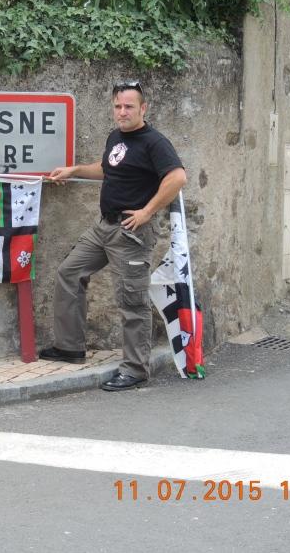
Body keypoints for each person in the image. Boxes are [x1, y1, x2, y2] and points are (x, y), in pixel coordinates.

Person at [39, 81, 187, 391]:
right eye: (118, 106)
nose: (122, 112)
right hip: (104, 227)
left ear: (143, 109)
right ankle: (70, 347)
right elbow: (109, 168)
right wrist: (75, 170)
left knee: (131, 300)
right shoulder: (116, 137)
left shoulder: (154, 142)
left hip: (132, 231)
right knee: (69, 272)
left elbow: (177, 177)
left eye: (129, 107)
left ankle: (135, 369)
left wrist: (147, 212)